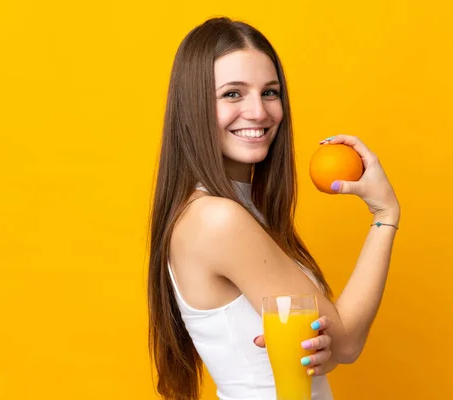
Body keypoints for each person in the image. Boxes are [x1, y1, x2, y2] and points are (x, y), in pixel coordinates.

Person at [147, 16, 400, 400]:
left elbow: (327, 351)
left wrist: (325, 345)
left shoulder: (237, 208)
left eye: (269, 92)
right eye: (232, 94)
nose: (259, 112)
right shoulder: (218, 219)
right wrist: (385, 215)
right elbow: (346, 343)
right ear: (192, 107)